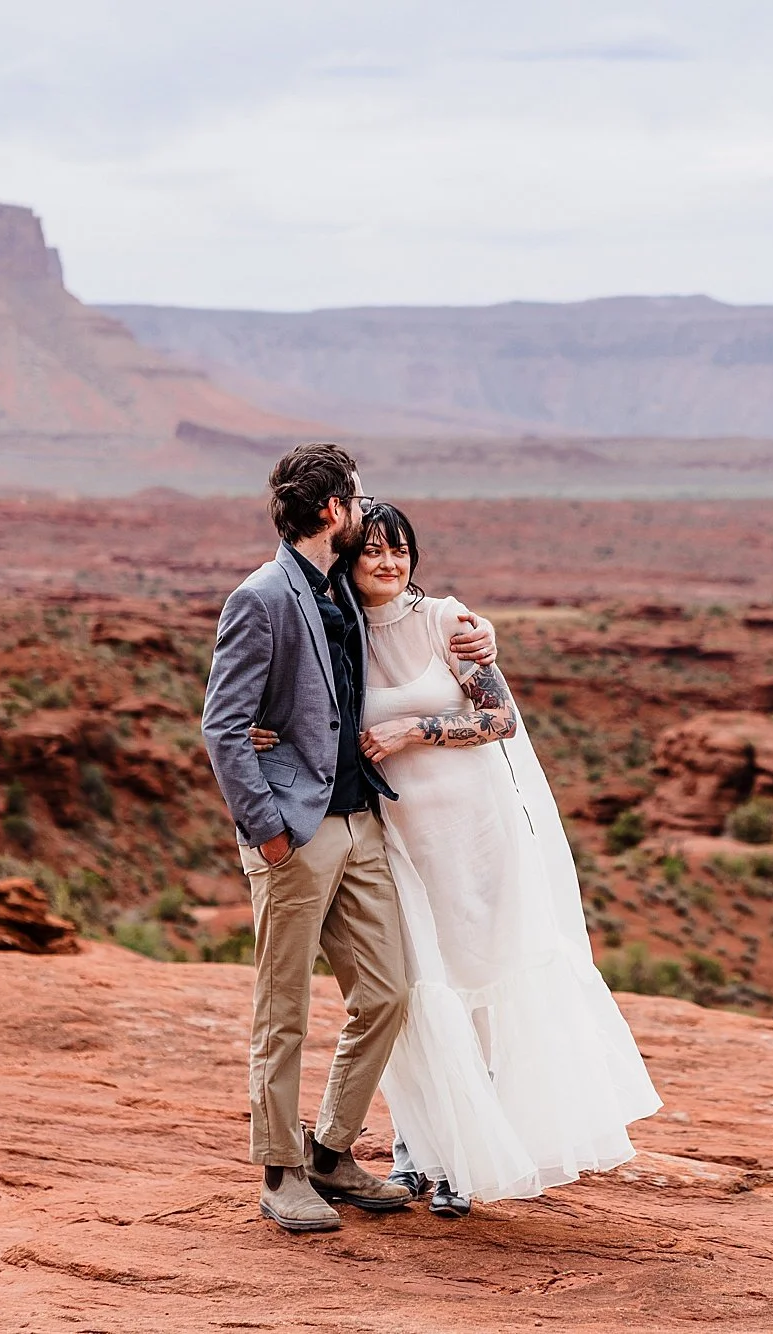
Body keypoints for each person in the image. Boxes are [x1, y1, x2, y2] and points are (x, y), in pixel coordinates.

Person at [251, 502, 659, 1216]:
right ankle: (421, 1152)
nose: (388, 562)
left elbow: (499, 719)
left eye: (400, 550)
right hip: (400, 843)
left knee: (482, 987)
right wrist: (267, 732)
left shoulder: (448, 621)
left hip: (477, 836)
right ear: (347, 556)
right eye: (373, 550)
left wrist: (415, 730)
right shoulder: (337, 626)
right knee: (421, 993)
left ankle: (471, 1162)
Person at [202, 442, 496, 1234]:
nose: (366, 511)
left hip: (361, 820)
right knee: (284, 1006)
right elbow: (223, 726)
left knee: (387, 991)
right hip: (295, 834)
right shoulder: (261, 597)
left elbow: (416, 616)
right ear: (332, 510)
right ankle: (278, 1170)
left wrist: (480, 637)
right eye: (358, 499)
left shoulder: (337, 587)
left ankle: (331, 1150)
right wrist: (266, 832)